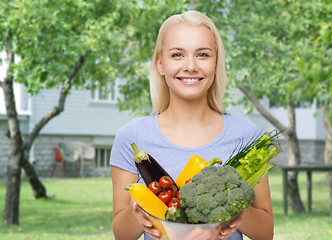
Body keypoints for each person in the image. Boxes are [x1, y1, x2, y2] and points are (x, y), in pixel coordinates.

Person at [110, 10, 274, 240]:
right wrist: (137, 212)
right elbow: (121, 235)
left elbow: (266, 233)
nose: (190, 66)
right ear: (160, 64)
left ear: (216, 63)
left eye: (202, 55)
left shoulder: (245, 135)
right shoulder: (132, 137)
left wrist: (239, 211)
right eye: (177, 54)